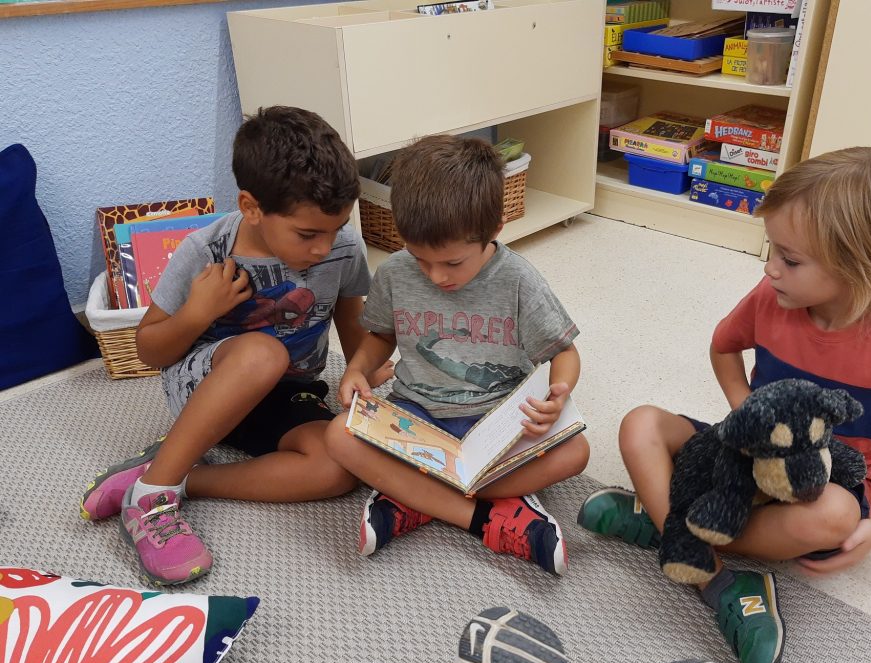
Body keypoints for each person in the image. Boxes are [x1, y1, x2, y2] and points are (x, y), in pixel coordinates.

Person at [579, 146, 871, 663]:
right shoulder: (773, 296)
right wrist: (745, 411)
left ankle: (670, 526)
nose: (770, 269)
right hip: (741, 459)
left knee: (834, 517)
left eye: (790, 260)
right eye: (772, 250)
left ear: (861, 265)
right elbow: (724, 346)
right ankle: (713, 573)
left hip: (823, 484)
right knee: (640, 424)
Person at [81, 106, 393, 586]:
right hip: (207, 388)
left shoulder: (345, 248)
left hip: (287, 392)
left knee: (339, 467)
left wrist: (362, 373)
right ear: (251, 207)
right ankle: (151, 498)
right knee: (263, 352)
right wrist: (197, 313)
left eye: (335, 228)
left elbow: (351, 324)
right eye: (308, 234)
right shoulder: (206, 251)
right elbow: (149, 350)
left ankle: (180, 476)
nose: (323, 247)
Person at [325, 134, 589, 576]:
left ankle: (415, 497)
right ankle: (485, 515)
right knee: (338, 435)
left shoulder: (518, 280)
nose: (435, 276)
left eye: (452, 263)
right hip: (417, 415)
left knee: (576, 451)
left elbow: (564, 354)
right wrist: (357, 368)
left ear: (495, 229)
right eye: (420, 258)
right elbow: (381, 336)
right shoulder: (394, 273)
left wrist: (557, 395)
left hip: (496, 422)